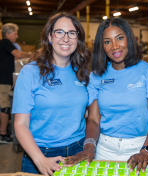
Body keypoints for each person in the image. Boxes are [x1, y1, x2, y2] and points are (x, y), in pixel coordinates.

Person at [65, 18, 148, 175]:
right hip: (104, 149)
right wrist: (89, 146)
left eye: (119, 38)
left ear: (129, 39)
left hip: (139, 151)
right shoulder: (97, 77)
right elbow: (93, 119)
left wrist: (146, 151)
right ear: (102, 46)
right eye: (107, 41)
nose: (115, 46)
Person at [12, 12, 90, 175]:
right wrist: (40, 160)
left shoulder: (81, 72)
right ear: (49, 36)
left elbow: (85, 112)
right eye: (59, 32)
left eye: (71, 33)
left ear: (78, 39)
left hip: (78, 150)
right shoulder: (31, 72)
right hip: (42, 153)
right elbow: (20, 124)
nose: (66, 38)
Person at [0, 23, 33, 144]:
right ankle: (2, 134)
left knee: (7, 106)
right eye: (15, 33)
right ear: (8, 34)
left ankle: (4, 132)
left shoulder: (4, 45)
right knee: (5, 107)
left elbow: (15, 59)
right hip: (0, 81)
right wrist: (31, 55)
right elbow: (19, 55)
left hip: (3, 80)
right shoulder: (5, 42)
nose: (17, 36)